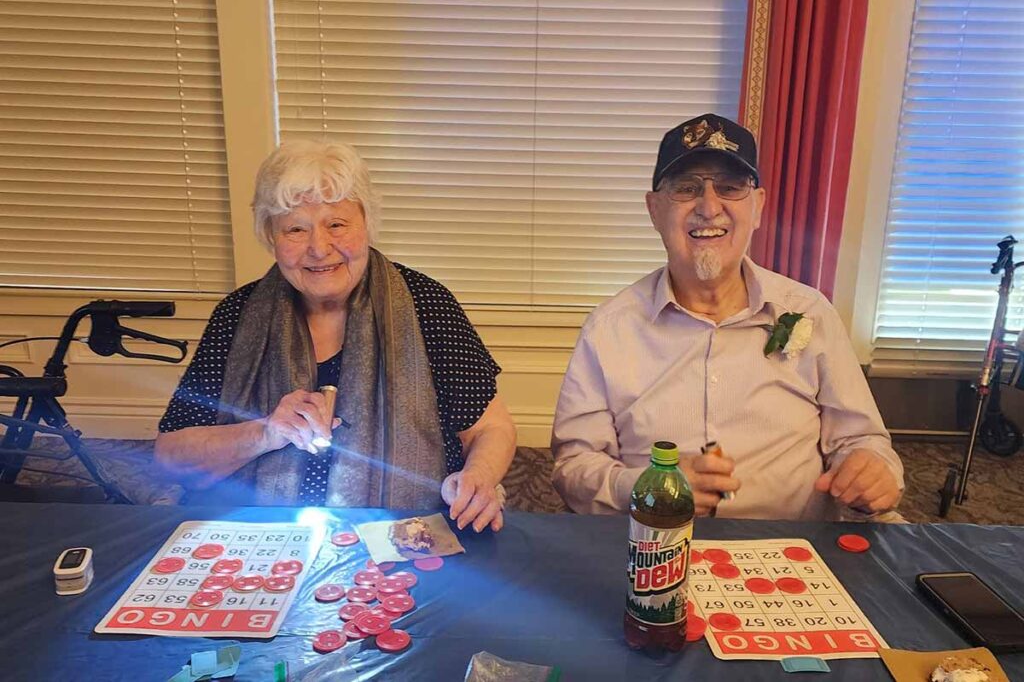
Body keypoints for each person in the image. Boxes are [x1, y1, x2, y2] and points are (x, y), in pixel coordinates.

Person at [551, 114, 903, 520]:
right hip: (658, 545)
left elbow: (864, 441)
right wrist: (646, 486)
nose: (709, 206)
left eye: (730, 188)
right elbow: (572, 468)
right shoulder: (609, 330)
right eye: (686, 189)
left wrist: (873, 470)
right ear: (654, 210)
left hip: (795, 552)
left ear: (757, 207)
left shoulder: (810, 312)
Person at [155, 139, 515, 532]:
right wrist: (265, 432)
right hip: (260, 545)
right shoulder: (237, 316)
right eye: (295, 229)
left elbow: (489, 429)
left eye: (337, 225)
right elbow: (171, 455)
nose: (318, 248)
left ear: (366, 224)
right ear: (270, 237)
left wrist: (478, 477)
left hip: (405, 540)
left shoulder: (426, 304)